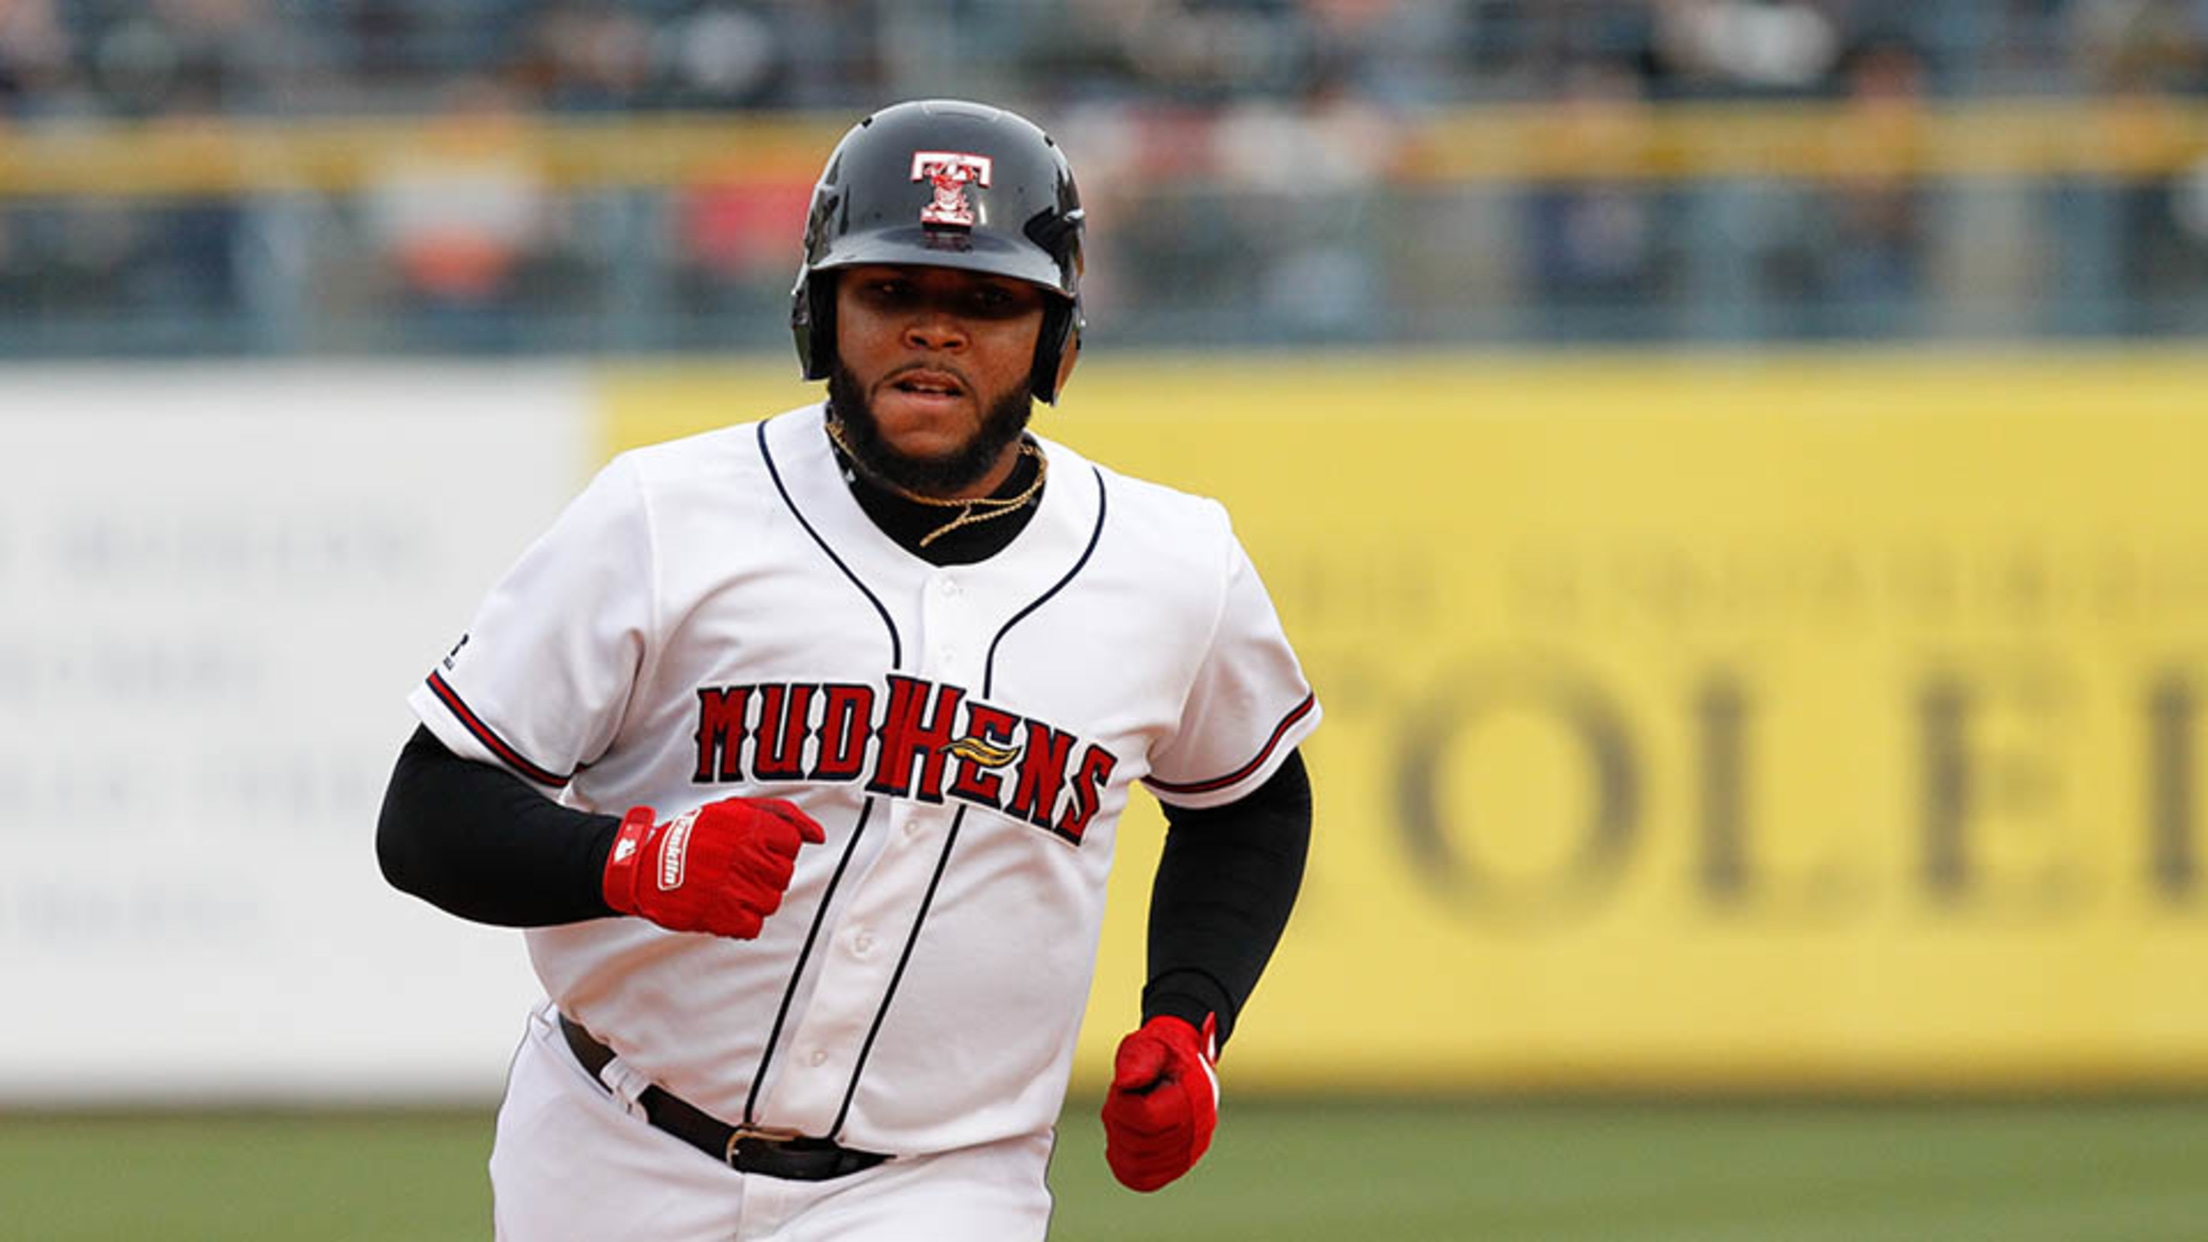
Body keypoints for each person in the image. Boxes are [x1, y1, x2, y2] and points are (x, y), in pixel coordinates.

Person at [376, 97, 1319, 1241]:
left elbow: (1250, 804)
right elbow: (428, 813)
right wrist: (628, 860)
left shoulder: (1170, 564)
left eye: (988, 301)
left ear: (1057, 341)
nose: (936, 331)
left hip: (937, 1182)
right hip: (608, 1143)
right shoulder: (663, 515)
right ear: (821, 315)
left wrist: (1190, 1018)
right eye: (891, 291)